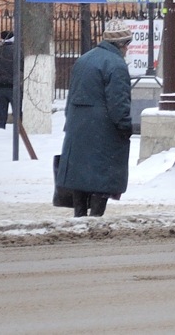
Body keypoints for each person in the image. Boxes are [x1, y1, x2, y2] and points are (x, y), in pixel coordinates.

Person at [55, 20, 135, 218]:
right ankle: (95, 219)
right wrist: (125, 127)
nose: (127, 49)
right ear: (122, 44)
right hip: (103, 132)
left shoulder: (83, 59)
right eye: (127, 45)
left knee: (80, 176)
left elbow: (72, 96)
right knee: (102, 176)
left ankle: (79, 215)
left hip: (78, 126)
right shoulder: (116, 65)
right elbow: (118, 104)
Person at [0, 30, 18, 130]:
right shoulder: (17, 51)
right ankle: (19, 132)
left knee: (2, 113)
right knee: (17, 113)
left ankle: (0, 131)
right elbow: (22, 66)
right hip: (13, 86)